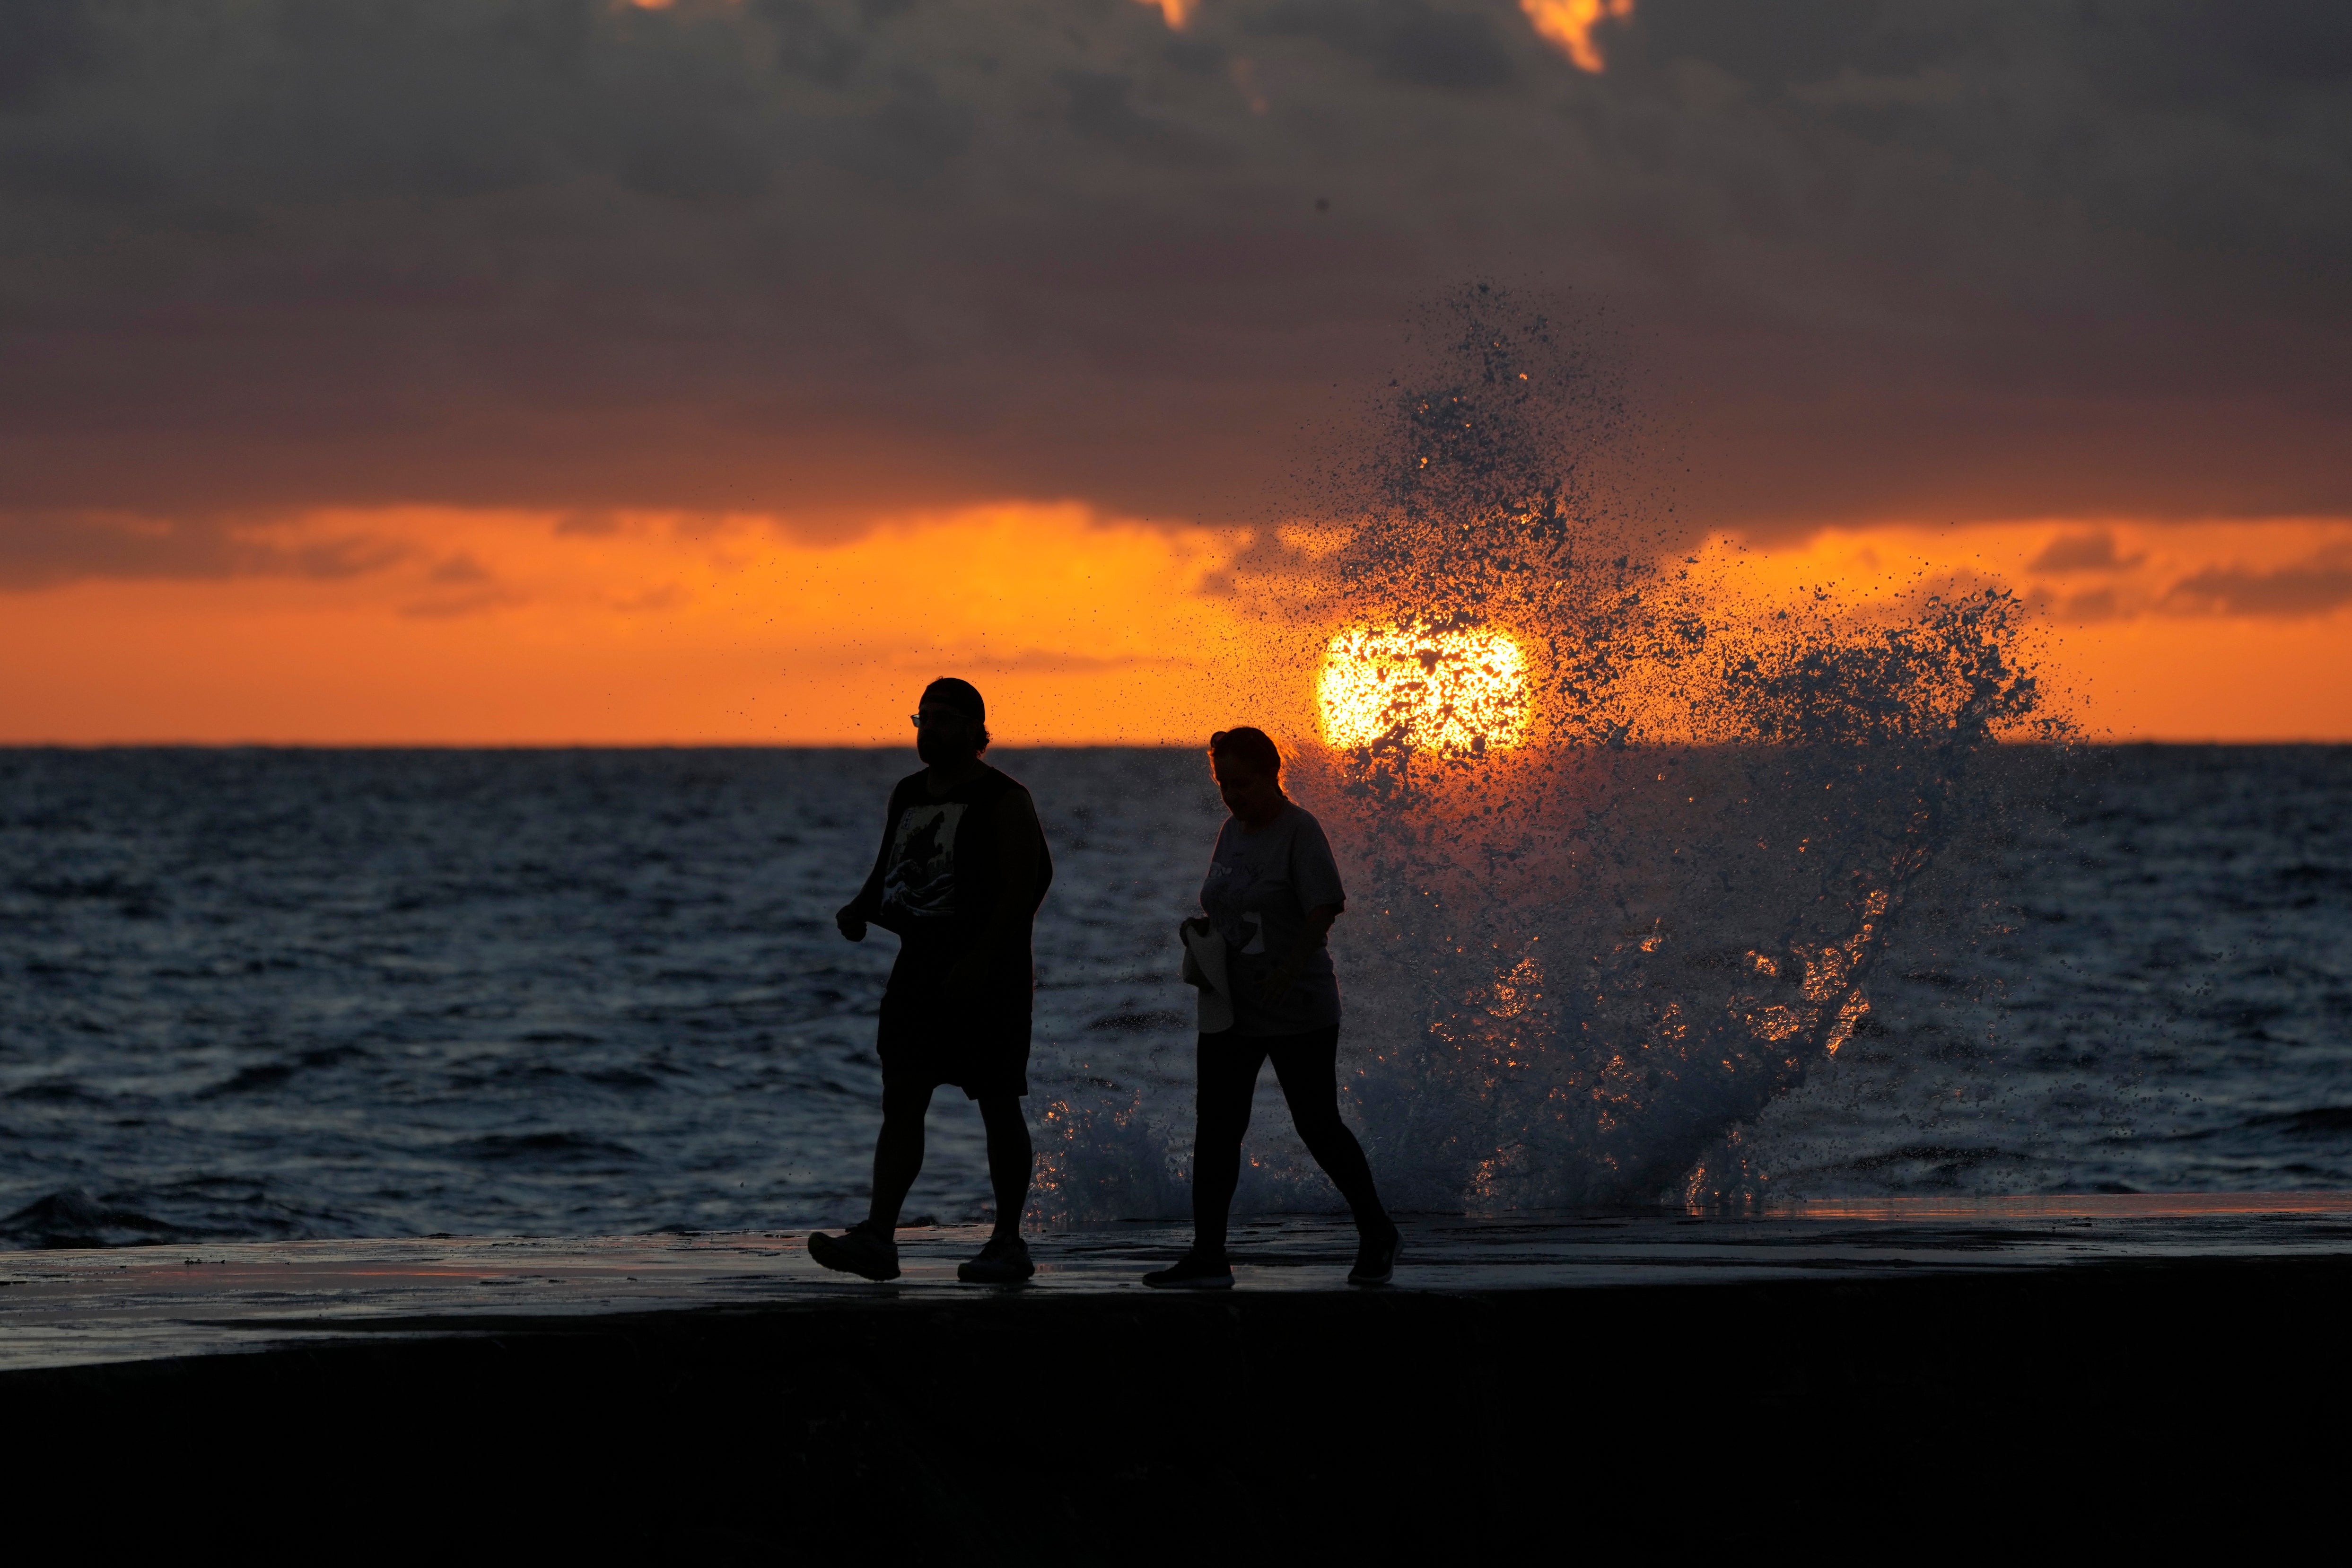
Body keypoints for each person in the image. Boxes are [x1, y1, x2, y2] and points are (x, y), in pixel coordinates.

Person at [809, 678, 1052, 1285]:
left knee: (998, 1105)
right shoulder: (909, 793)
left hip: (989, 979)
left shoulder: (1003, 798)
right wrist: (860, 907)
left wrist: (980, 960)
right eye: (924, 718)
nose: (931, 729)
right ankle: (878, 1238)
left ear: (977, 729)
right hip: (918, 972)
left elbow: (1028, 885)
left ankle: (1007, 1241)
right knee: (902, 1102)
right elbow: (890, 866)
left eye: (946, 720)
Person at [1144, 726, 1400, 1289]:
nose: (1232, 796)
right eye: (1222, 785)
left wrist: (1288, 967)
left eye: (1242, 784)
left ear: (1271, 775)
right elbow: (1225, 899)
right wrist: (1203, 933)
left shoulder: (1299, 831)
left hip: (1297, 1003)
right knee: (1216, 1130)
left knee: (1316, 1125)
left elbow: (1325, 908)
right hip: (1230, 1006)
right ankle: (1208, 1254)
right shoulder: (1230, 832)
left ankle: (1376, 1230)